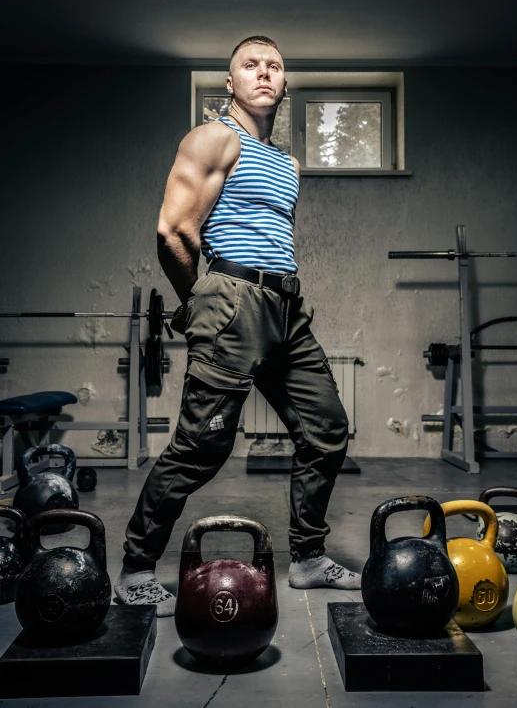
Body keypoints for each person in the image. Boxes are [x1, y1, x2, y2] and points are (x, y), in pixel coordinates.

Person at [114, 36, 361, 616]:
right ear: (230, 84)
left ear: (284, 83)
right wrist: (197, 299)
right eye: (250, 65)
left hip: (286, 309)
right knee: (201, 448)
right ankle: (136, 567)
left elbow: (271, 237)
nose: (264, 73)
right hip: (232, 300)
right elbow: (174, 231)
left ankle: (306, 558)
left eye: (274, 65)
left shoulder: (287, 162)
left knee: (327, 430)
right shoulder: (214, 137)